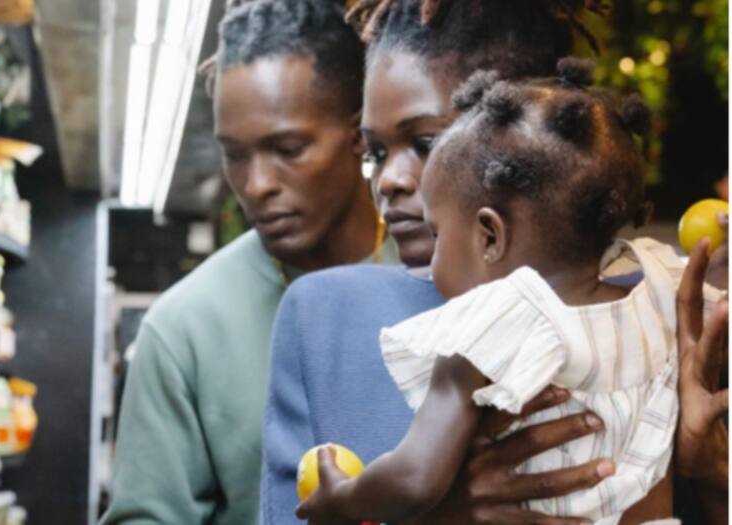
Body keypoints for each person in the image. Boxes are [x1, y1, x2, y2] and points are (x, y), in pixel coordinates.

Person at [262, 1, 728, 523]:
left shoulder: (672, 318)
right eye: (373, 150)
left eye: (427, 143)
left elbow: (406, 479)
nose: (390, 179)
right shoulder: (323, 313)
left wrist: (714, 471)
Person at [99, 1, 399, 523]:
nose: (257, 185)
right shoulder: (183, 330)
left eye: (287, 148)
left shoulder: (448, 274)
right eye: (235, 155)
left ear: (358, 137)